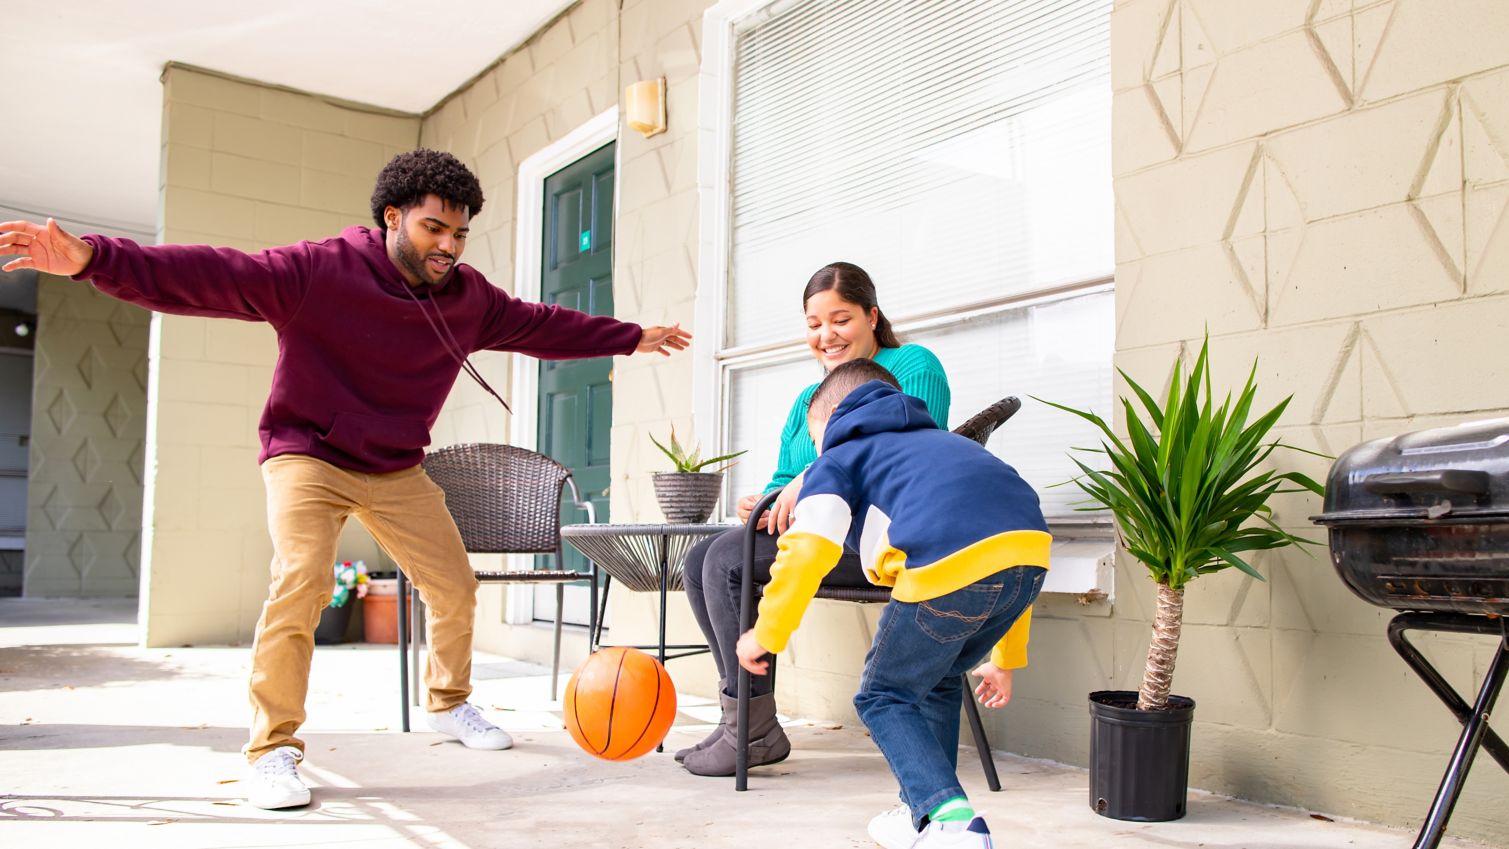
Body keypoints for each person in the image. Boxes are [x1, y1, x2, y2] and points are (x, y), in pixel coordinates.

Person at [0, 149, 691, 811]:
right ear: (391, 217)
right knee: (302, 578)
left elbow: (540, 324)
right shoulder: (316, 271)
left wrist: (631, 337)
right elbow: (210, 273)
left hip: (395, 464)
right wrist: (94, 259)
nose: (448, 245)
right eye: (433, 227)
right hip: (308, 452)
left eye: (459, 232)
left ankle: (449, 702)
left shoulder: (468, 298)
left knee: (453, 584)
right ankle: (271, 749)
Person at [735, 359, 1050, 849]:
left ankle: (951, 823)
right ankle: (921, 811)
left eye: (816, 437)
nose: (818, 450)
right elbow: (1006, 543)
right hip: (1031, 562)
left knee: (882, 695)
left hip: (942, 568)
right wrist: (1006, 660)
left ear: (836, 415)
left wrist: (766, 632)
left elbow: (809, 548)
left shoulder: (840, 456)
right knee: (938, 681)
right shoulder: (948, 446)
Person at [677, 261, 951, 777]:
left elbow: (907, 443)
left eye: (840, 319)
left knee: (727, 560)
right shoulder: (810, 398)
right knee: (701, 559)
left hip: (881, 537)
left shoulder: (912, 364)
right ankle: (743, 714)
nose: (826, 335)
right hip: (817, 530)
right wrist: (766, 500)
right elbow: (786, 476)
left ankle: (750, 730)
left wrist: (813, 479)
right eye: (813, 324)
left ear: (872, 316)